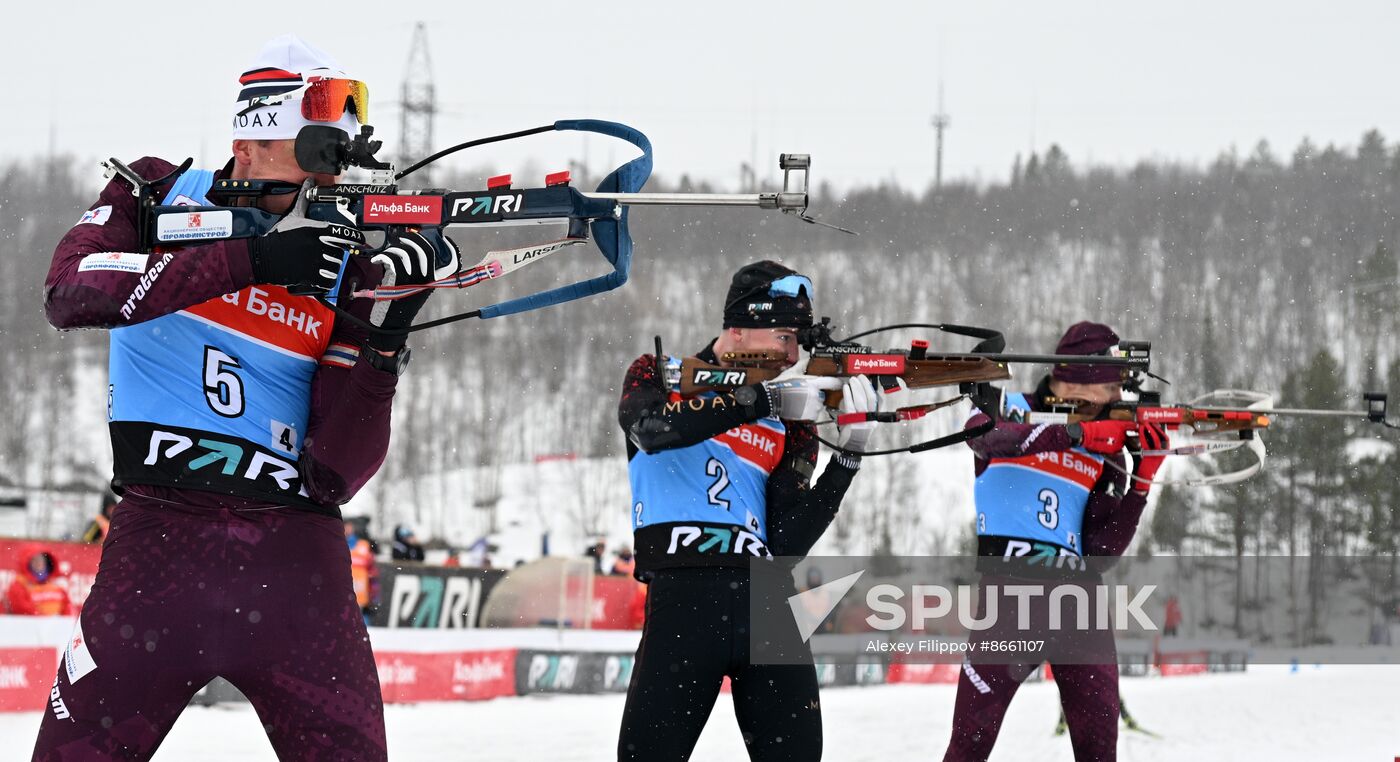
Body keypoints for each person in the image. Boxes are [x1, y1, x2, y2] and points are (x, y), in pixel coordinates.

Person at [34, 35, 456, 761]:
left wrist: (384, 338)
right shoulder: (158, 194)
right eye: (317, 152)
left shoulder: (345, 253)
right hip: (157, 551)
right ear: (251, 143)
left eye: (341, 156)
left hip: (296, 565)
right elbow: (71, 291)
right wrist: (254, 258)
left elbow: (337, 470)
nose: (328, 179)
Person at [616, 260, 880, 761]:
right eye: (784, 337)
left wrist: (847, 459)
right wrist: (759, 399)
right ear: (737, 327)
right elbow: (649, 429)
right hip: (684, 599)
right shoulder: (659, 374)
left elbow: (785, 546)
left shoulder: (791, 419)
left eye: (797, 341)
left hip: (768, 601)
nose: (792, 353)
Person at [942, 321, 1167, 762]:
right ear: (1082, 381)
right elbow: (983, 438)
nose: (1119, 399)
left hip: (1078, 604)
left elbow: (1099, 554)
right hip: (1008, 598)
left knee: (1100, 751)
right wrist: (1075, 433)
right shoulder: (1008, 405)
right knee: (969, 746)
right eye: (1114, 387)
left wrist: (1141, 483)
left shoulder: (1108, 449)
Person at [4, 547, 74, 616]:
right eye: (35, 560)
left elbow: (67, 608)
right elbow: (21, 608)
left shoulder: (57, 585)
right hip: (29, 625)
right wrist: (44, 620)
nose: (39, 563)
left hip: (55, 625)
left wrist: (60, 622)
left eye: (42, 560)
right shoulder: (19, 585)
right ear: (27, 563)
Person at [347, 520, 381, 625]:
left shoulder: (364, 545)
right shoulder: (339, 543)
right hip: (346, 588)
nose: (348, 530)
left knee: (362, 616)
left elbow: (372, 568)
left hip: (362, 589)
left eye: (350, 527)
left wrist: (374, 591)